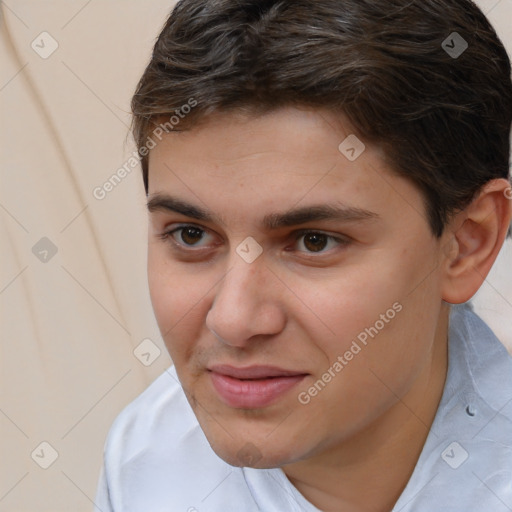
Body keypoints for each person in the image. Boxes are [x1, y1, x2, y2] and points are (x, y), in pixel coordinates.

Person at [95, 0, 512, 510]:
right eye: (190, 235)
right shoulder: (146, 459)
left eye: (314, 241)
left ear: (467, 244)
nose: (234, 320)